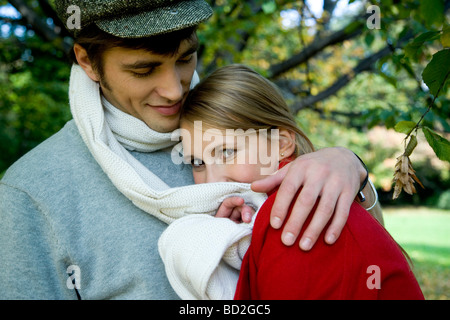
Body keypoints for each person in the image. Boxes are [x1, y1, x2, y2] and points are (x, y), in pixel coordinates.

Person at [1, 0, 376, 299]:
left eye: (184, 59)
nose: (175, 90)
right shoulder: (30, 196)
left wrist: (350, 168)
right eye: (144, 70)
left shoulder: (231, 126)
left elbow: (356, 266)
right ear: (87, 62)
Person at [164, 64, 423, 299]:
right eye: (198, 162)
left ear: (282, 144)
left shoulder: (295, 213)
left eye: (227, 152)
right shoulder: (273, 209)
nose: (212, 181)